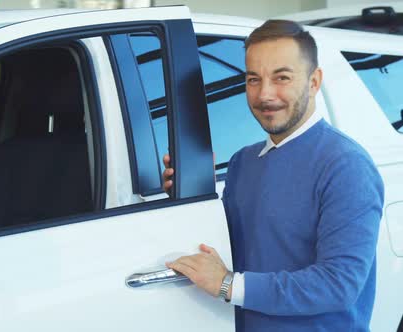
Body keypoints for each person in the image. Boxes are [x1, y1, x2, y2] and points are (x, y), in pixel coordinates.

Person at [163, 20, 384, 332]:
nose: (265, 94)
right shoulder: (243, 162)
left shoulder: (346, 165)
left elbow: (338, 284)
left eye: (282, 77)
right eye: (254, 79)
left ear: (314, 81)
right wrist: (188, 196)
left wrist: (228, 285)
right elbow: (233, 250)